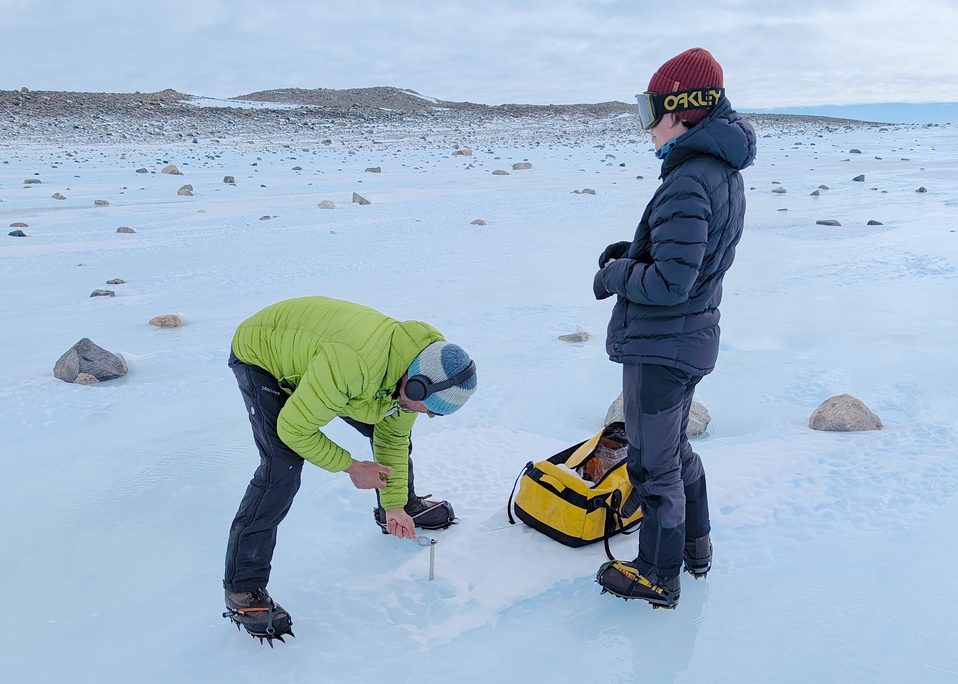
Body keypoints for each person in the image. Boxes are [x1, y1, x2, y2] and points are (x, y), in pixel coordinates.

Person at [592, 48, 756, 608]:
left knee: (652, 464)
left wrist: (616, 274)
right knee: (675, 451)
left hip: (664, 346)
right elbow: (691, 260)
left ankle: (657, 575)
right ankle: (696, 546)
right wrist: (633, 251)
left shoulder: (689, 180)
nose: (646, 125)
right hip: (688, 339)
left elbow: (668, 285)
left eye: (650, 109)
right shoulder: (718, 174)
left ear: (683, 109)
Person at [222, 296, 477, 642]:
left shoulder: (424, 366)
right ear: (415, 384)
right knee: (281, 467)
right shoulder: (352, 368)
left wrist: (395, 504)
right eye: (429, 408)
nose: (429, 416)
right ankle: (243, 591)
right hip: (263, 353)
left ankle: (401, 509)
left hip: (326, 363)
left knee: (388, 427)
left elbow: (393, 437)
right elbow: (294, 429)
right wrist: (351, 466)